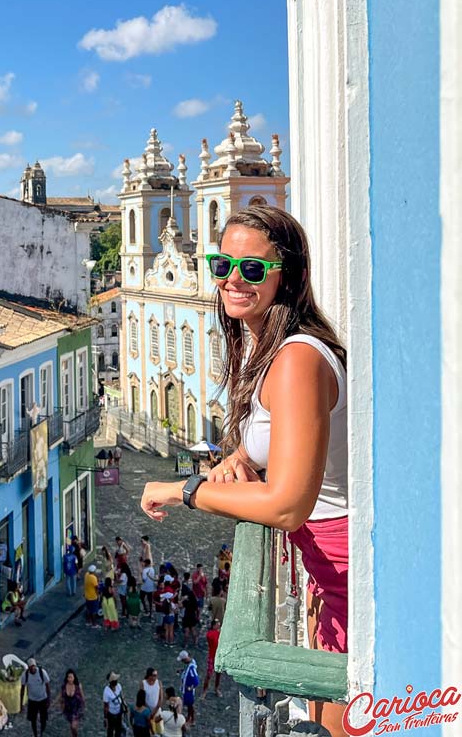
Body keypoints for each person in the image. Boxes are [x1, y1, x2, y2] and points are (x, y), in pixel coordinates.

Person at [140, 205, 348, 737]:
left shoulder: (298, 359)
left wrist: (186, 489)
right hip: (328, 578)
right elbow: (280, 438)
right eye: (222, 263)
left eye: (252, 269)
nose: (233, 278)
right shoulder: (271, 348)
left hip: (349, 578)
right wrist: (239, 458)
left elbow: (285, 505)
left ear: (291, 275)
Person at [21, 658, 51, 737]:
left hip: (42, 699)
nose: (33, 668)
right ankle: (35, 734)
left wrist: (48, 700)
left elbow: (48, 686)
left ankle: (41, 732)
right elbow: (22, 689)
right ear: (28, 667)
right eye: (31, 667)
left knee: (43, 718)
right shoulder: (25, 675)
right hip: (32, 700)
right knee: (33, 719)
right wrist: (21, 704)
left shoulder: (42, 672)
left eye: (34, 666)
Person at [59, 669, 85, 737]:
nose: (70, 679)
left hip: (76, 709)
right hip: (68, 709)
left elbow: (82, 697)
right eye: (68, 677)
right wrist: (61, 706)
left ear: (74, 678)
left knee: (73, 726)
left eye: (71, 677)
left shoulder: (78, 686)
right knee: (72, 726)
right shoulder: (64, 686)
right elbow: (61, 697)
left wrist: (83, 707)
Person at [201, 620, 222, 699]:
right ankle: (205, 690)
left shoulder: (217, 633)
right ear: (214, 626)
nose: (219, 626)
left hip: (218, 657)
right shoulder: (211, 634)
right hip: (213, 657)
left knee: (218, 674)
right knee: (209, 675)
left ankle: (216, 688)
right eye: (217, 624)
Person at [176, 650, 199, 725]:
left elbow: (196, 681)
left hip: (188, 691)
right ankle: (189, 717)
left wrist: (191, 688)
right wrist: (182, 671)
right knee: (189, 705)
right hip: (186, 690)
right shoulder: (191, 663)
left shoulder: (192, 668)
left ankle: (191, 719)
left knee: (190, 705)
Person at [103, 672, 124, 737]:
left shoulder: (119, 686)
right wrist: (105, 718)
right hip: (111, 714)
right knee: (110, 731)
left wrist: (124, 706)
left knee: (119, 730)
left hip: (119, 712)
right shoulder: (106, 691)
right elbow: (106, 706)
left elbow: (122, 696)